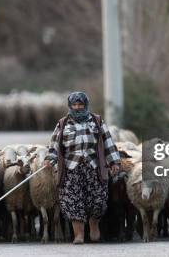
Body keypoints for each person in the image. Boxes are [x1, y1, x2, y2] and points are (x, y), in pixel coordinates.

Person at [44, 91, 121, 244]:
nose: (78, 107)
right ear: (70, 106)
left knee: (98, 199)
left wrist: (114, 162)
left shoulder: (97, 121)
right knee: (72, 200)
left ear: (86, 105)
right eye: (75, 105)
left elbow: (108, 142)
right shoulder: (63, 123)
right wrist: (49, 159)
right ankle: (78, 235)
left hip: (93, 167)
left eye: (81, 105)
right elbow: (54, 145)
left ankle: (94, 226)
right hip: (71, 168)